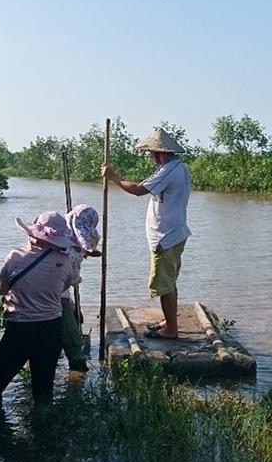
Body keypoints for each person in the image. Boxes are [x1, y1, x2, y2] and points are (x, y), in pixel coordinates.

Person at [0, 211, 77, 410]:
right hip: (51, 330)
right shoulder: (65, 262)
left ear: (34, 235)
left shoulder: (15, 256)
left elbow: (2, 289)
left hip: (19, 329)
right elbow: (64, 287)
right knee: (43, 391)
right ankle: (44, 433)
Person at [101, 127, 191, 340]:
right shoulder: (178, 167)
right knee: (169, 281)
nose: (151, 158)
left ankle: (171, 330)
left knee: (163, 285)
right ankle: (169, 322)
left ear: (160, 153)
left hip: (166, 236)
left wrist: (114, 177)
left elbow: (139, 190)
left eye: (152, 154)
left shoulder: (169, 170)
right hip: (174, 233)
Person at [59, 204, 100, 371]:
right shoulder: (73, 251)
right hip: (55, 296)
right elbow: (70, 280)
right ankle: (77, 377)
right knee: (74, 344)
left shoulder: (58, 235)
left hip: (32, 296)